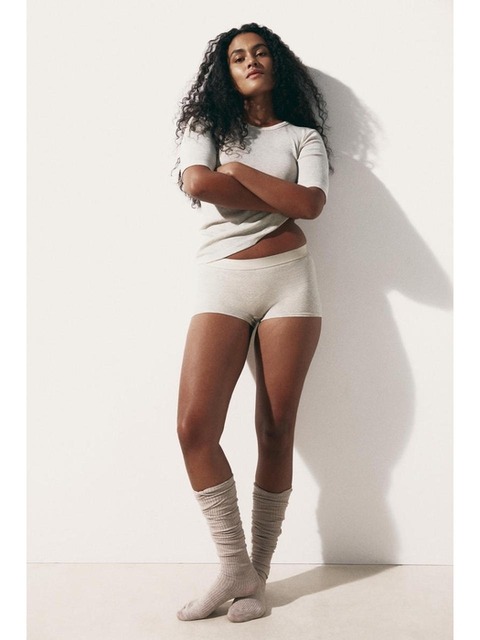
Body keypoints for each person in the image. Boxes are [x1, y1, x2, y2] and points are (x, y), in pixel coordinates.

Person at [174, 22, 331, 623]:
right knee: (194, 427)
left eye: (260, 52)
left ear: (276, 63)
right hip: (222, 279)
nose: (250, 60)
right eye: (238, 56)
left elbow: (311, 205)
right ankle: (233, 564)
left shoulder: (302, 136)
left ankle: (256, 578)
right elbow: (198, 182)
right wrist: (273, 194)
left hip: (290, 282)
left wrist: (239, 175)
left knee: (275, 427)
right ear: (226, 71)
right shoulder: (206, 126)